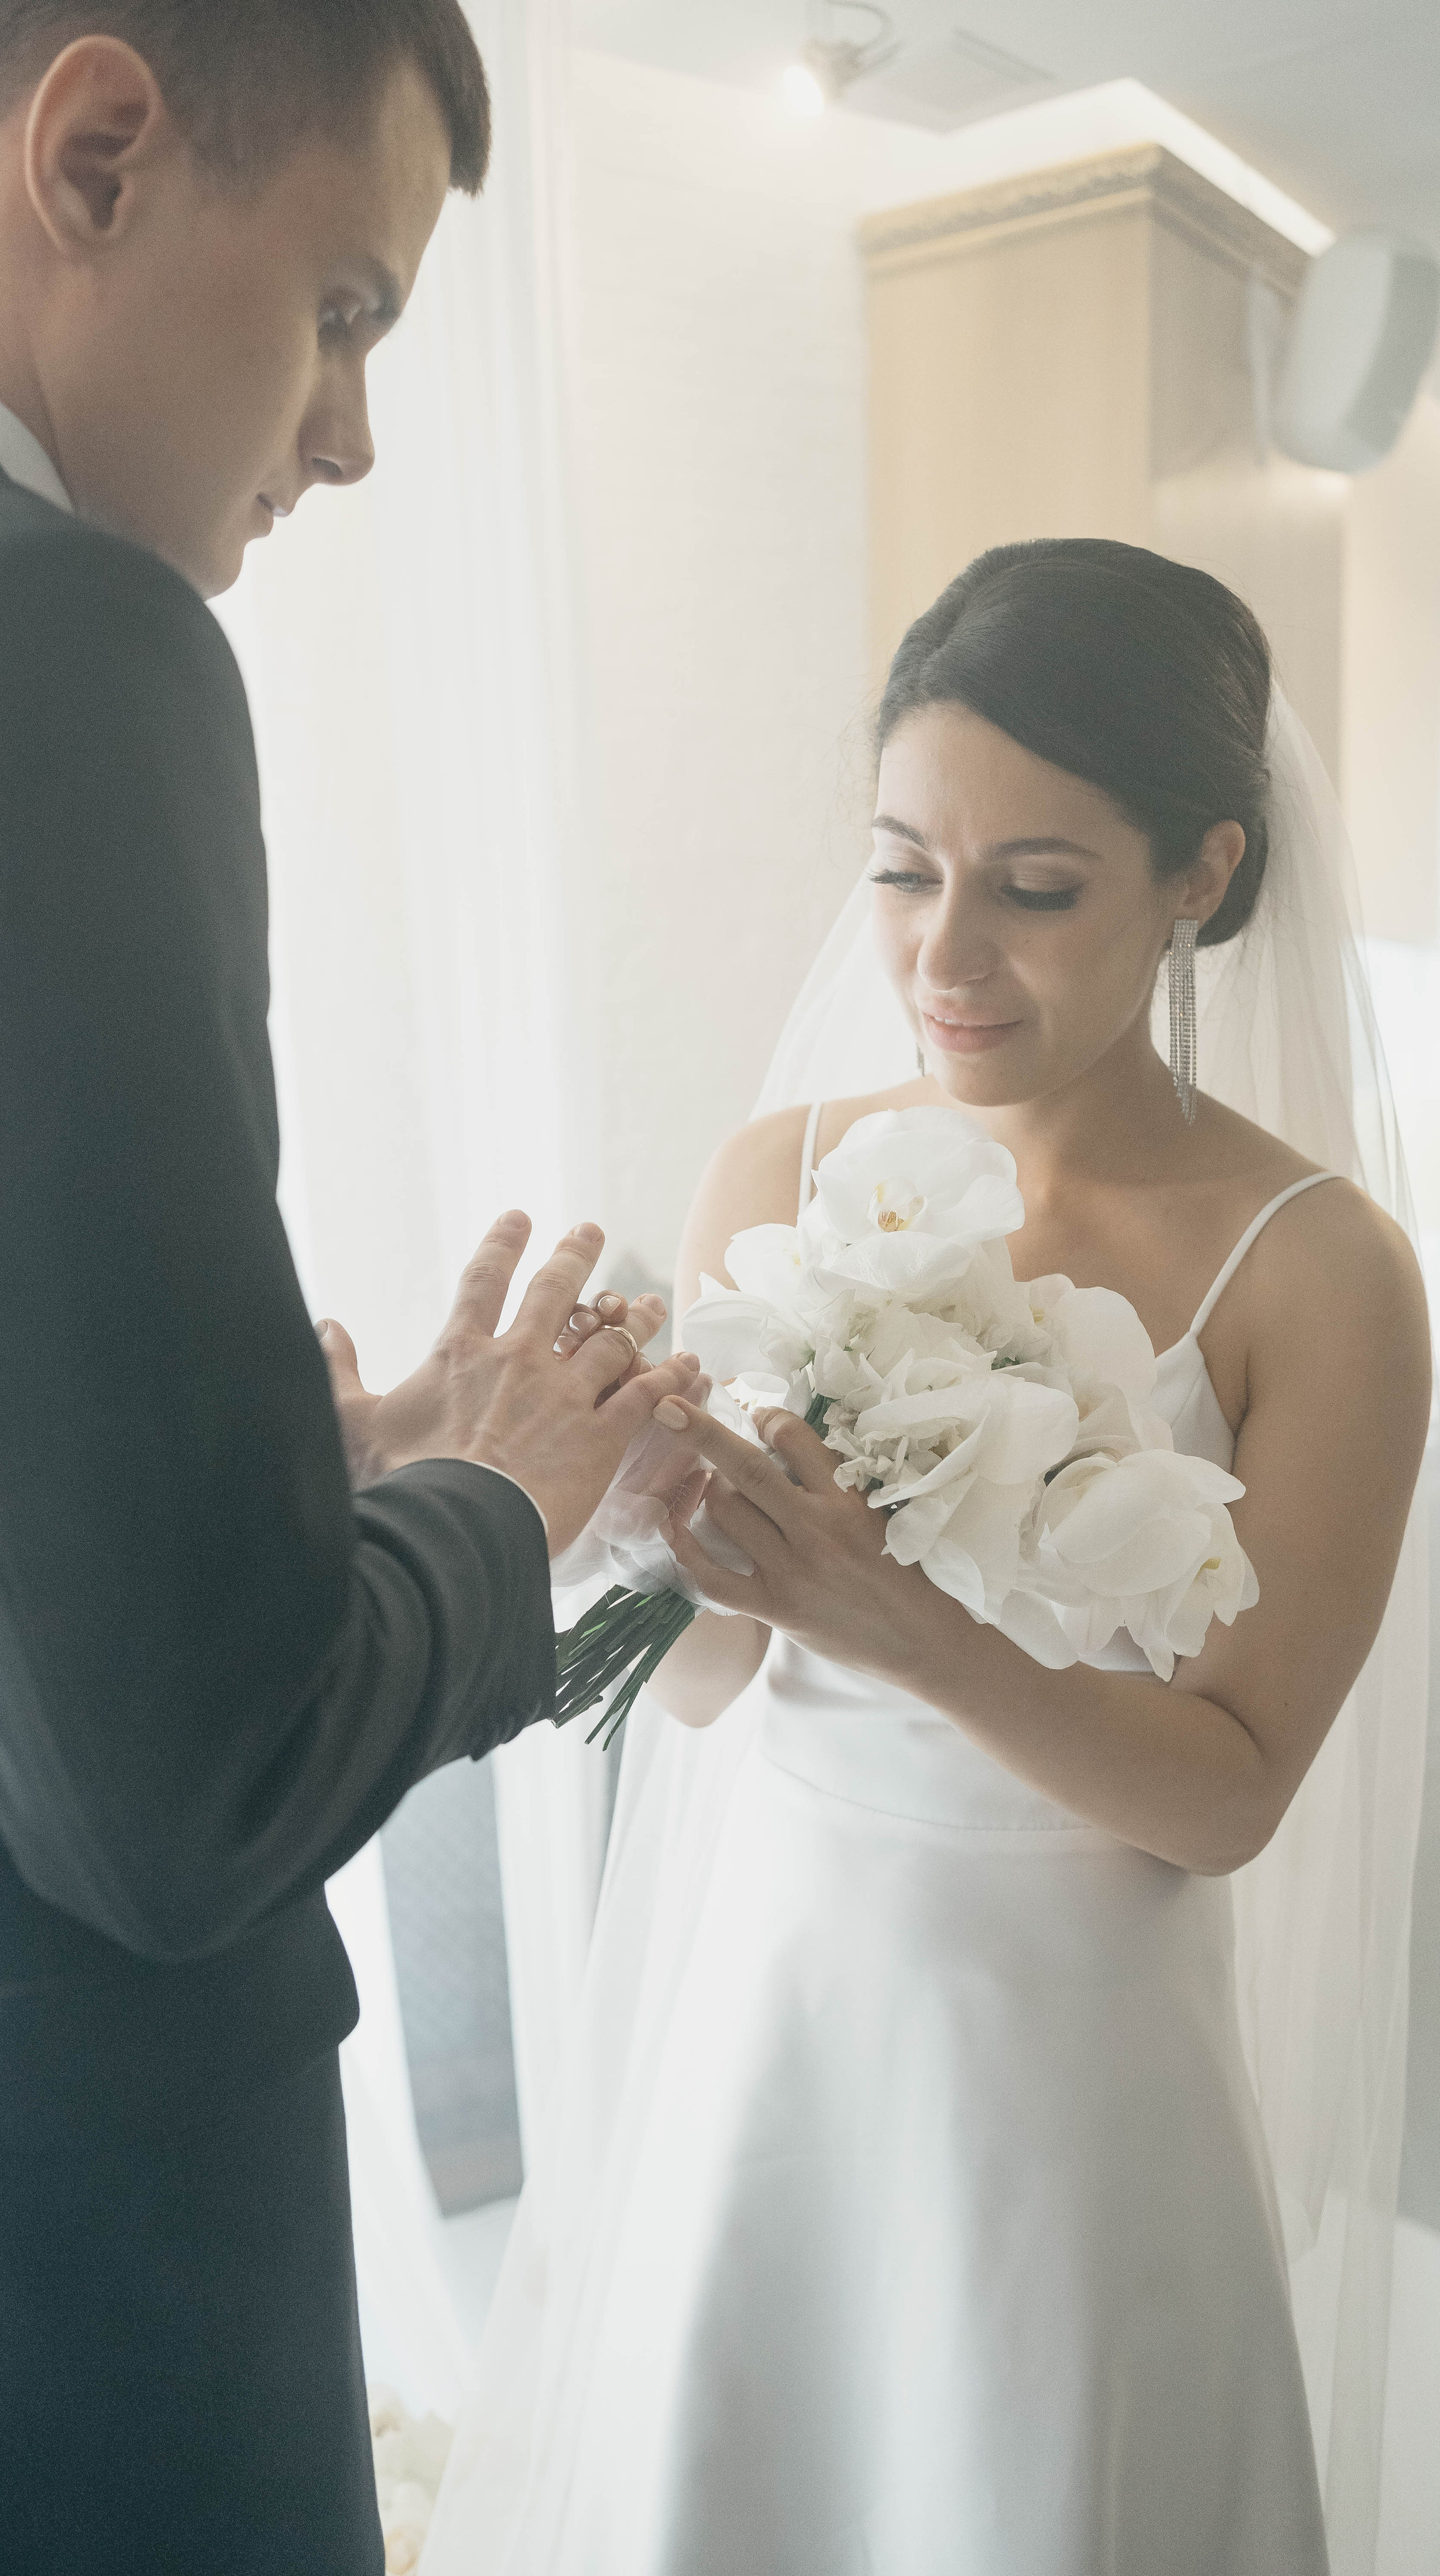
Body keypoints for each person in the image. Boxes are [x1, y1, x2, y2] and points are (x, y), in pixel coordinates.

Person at [0, 5, 701, 2570]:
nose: (354, 436)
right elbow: (181, 1797)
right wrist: (485, 1500)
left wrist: (256, 1504)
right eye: (352, 306)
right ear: (102, 146)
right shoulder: (23, 642)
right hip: (4, 2305)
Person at [425, 540, 1431, 2576]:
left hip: (1074, 2082)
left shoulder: (1323, 1273)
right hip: (780, 2025)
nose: (944, 955)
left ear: (1204, 877)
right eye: (904, 868)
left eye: (1035, 889)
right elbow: (718, 1688)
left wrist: (901, 1625)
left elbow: (1230, 1797)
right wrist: (646, 1530)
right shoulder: (781, 1178)